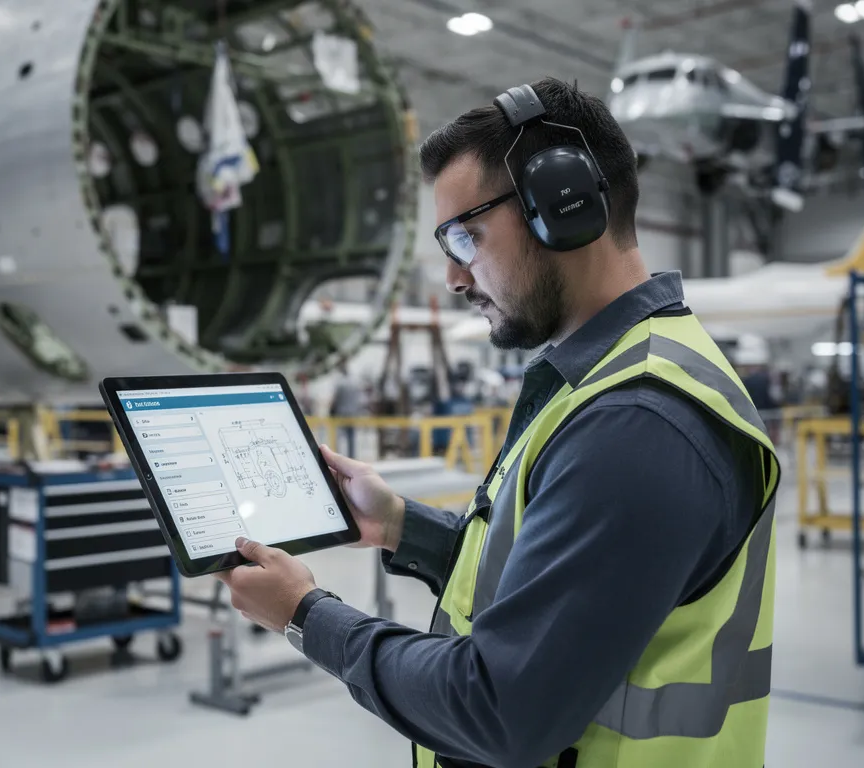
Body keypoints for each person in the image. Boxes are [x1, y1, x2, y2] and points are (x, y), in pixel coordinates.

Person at [220, 78, 780, 768]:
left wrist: (305, 615)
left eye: (465, 237)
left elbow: (497, 709)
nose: (454, 278)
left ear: (563, 206)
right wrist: (400, 526)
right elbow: (559, 584)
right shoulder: (618, 376)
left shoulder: (636, 425)